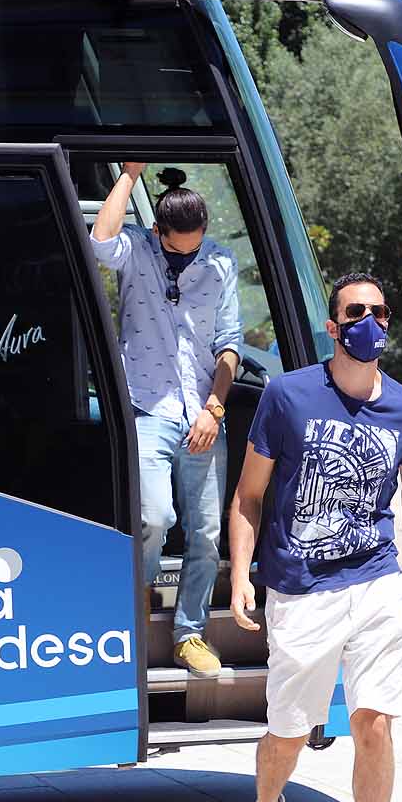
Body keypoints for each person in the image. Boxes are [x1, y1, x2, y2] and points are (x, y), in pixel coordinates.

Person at [226, 272, 402, 802]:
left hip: (375, 577)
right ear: (333, 323)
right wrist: (241, 573)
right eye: (355, 310)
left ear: (388, 322)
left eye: (378, 310)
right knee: (287, 735)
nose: (367, 320)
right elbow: (249, 496)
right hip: (301, 589)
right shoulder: (289, 396)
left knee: (373, 721)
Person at [91, 164, 241, 679]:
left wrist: (214, 408)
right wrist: (130, 175)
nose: (191, 254)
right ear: (160, 233)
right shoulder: (136, 248)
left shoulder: (220, 261)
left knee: (205, 532)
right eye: (181, 248)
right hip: (148, 409)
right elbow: (98, 243)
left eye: (197, 244)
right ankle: (132, 614)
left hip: (202, 414)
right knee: (154, 517)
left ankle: (188, 633)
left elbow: (230, 343)